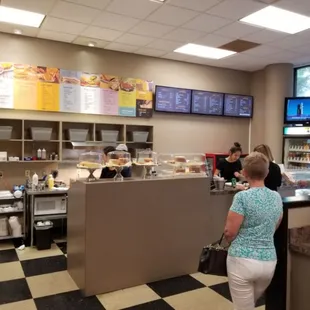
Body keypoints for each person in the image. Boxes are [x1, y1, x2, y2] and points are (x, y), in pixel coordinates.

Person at [224, 152, 283, 310]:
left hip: (242, 261)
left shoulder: (242, 197)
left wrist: (234, 242)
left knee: (243, 306)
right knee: (251, 303)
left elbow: (229, 232)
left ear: (244, 173)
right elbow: (275, 224)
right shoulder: (276, 197)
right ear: (267, 172)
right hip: (269, 261)